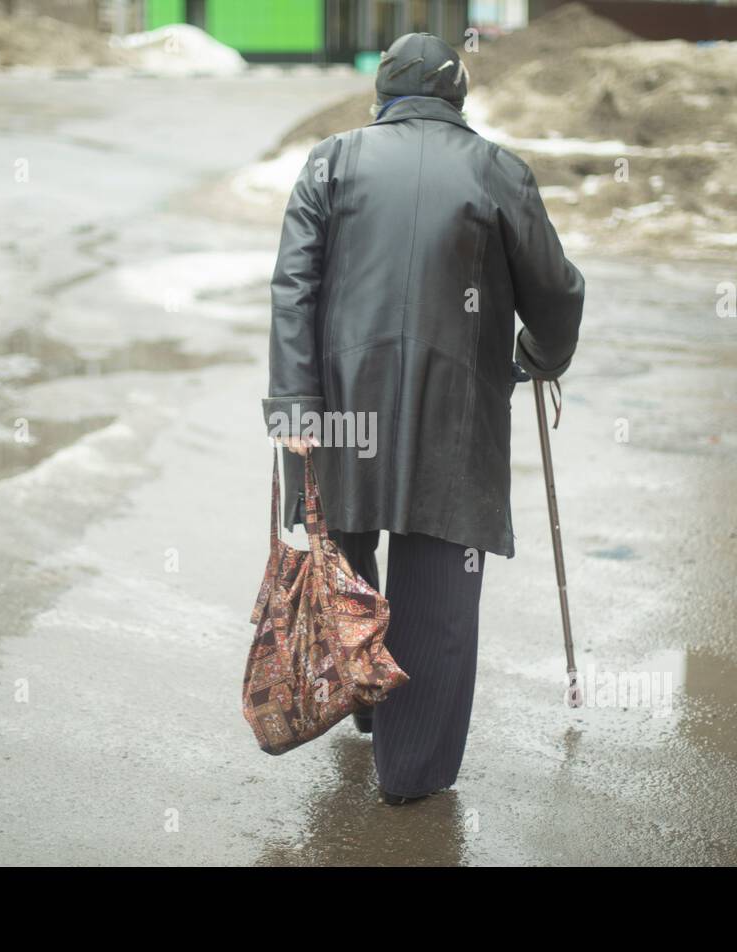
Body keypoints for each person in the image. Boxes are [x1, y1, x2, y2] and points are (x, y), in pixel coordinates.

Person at [262, 32, 584, 805]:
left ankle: (368, 690)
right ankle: (410, 775)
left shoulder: (330, 161)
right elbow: (558, 292)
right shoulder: (498, 170)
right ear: (457, 94)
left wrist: (293, 404)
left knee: (344, 555)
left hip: (336, 412)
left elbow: (292, 288)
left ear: (382, 95)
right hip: (454, 414)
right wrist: (538, 356)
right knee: (438, 592)